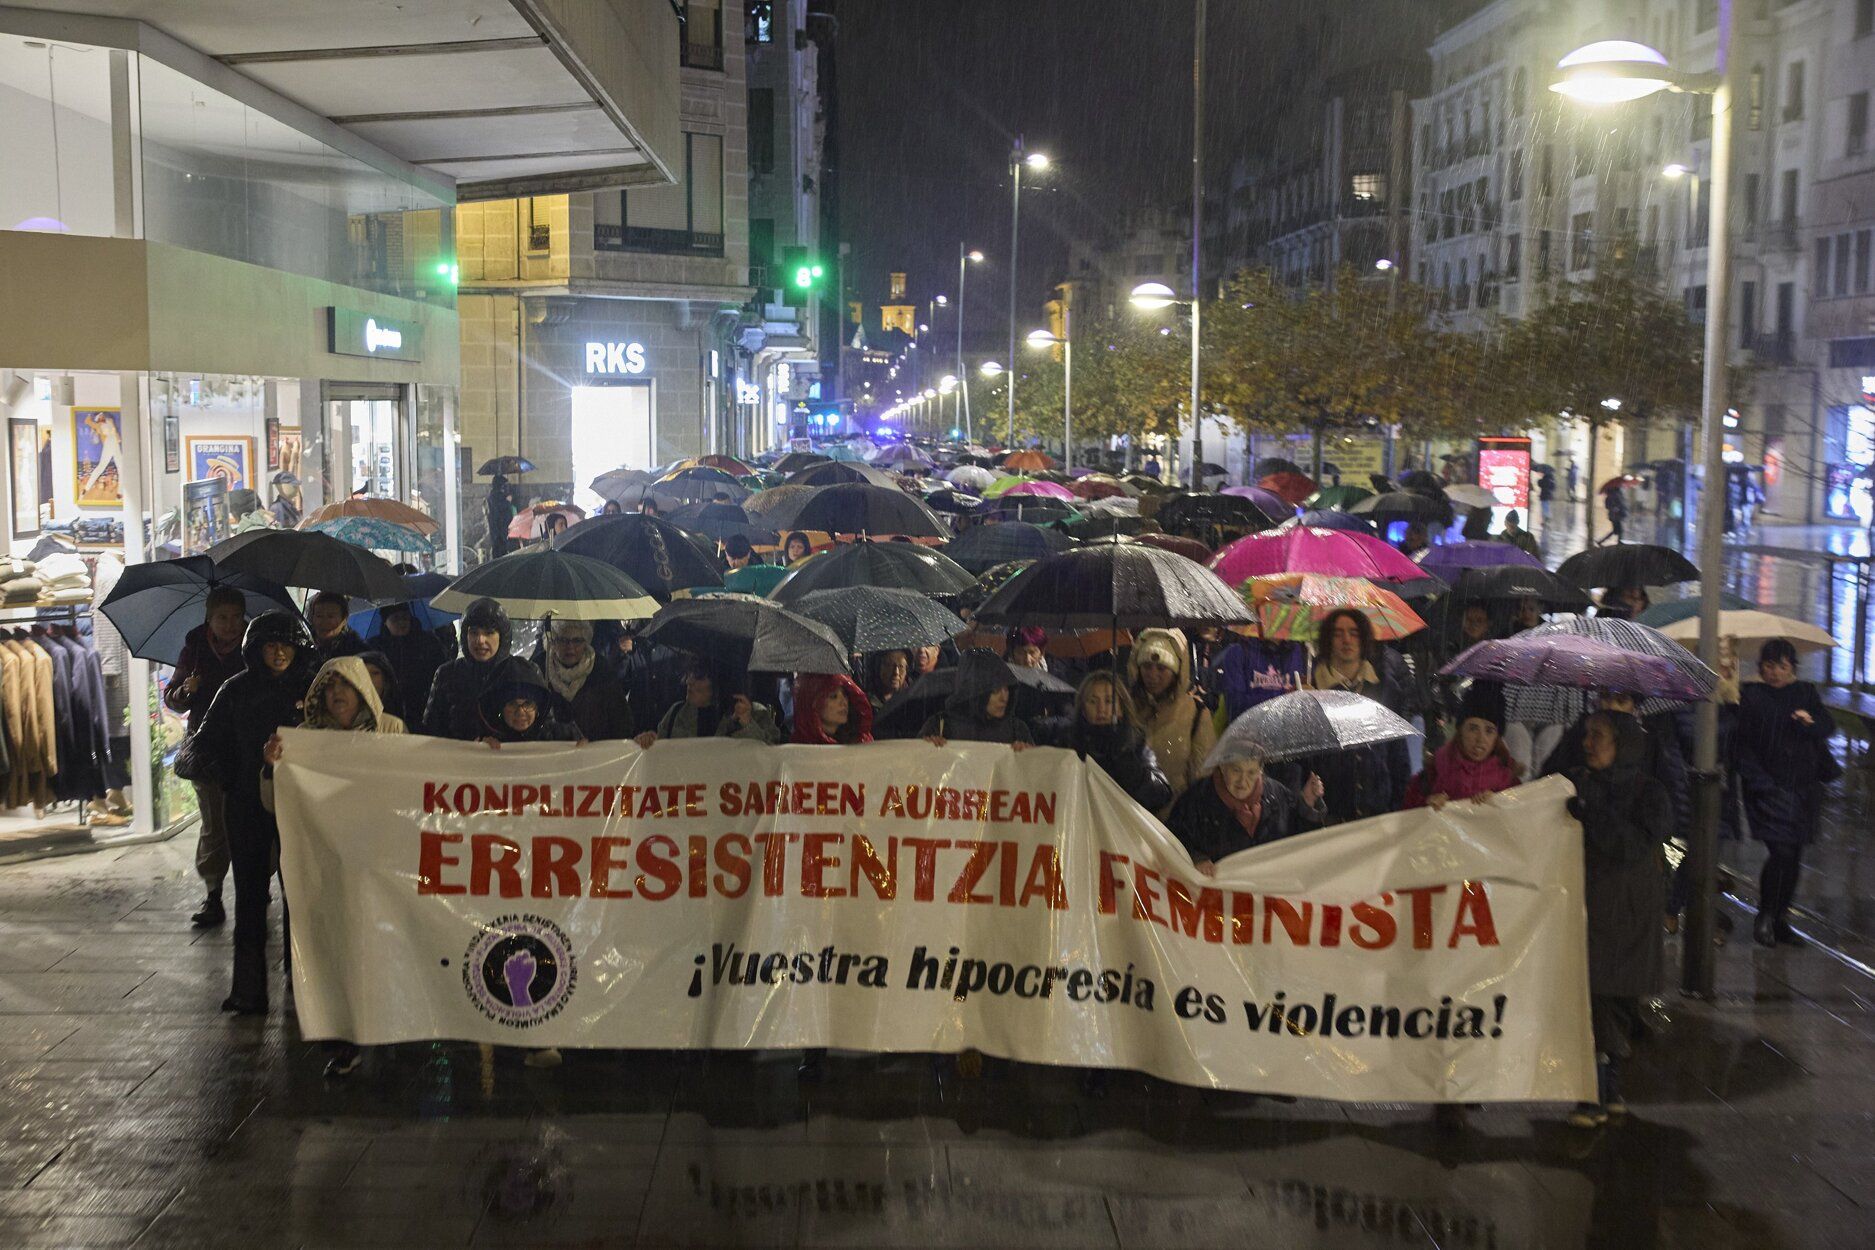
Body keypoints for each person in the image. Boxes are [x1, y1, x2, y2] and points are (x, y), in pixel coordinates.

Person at [259, 655, 405, 1076]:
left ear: (363, 691)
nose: (338, 694)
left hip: (376, 859)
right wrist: (273, 770)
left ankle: (385, 1026)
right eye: (330, 686)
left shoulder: (391, 729)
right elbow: (272, 804)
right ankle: (342, 1040)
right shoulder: (302, 740)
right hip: (325, 863)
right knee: (333, 948)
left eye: (346, 685)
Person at [186, 612, 316, 1015]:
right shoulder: (234, 690)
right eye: (271, 646)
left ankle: (306, 984)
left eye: (287, 646)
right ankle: (248, 990)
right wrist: (234, 776)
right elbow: (200, 748)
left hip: (301, 808)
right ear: (256, 649)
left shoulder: (313, 690)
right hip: (246, 806)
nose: (279, 653)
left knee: (302, 896)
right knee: (249, 899)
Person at [1562, 713, 1672, 1127]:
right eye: (1586, 734)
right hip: (1588, 909)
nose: (1589, 743)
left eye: (1599, 736)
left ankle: (1606, 1090)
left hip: (1628, 914)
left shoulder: (1650, 793)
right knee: (1594, 999)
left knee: (1615, 999)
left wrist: (1591, 814)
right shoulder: (1575, 780)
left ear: (1623, 744)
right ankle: (1598, 1094)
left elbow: (1632, 845)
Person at [1732, 639, 1835, 948]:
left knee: (1794, 856)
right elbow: (1741, 744)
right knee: (1781, 852)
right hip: (1768, 789)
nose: (1774, 672)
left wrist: (1809, 723)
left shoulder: (1805, 693)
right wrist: (1759, 781)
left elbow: (1827, 727)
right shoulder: (1751, 696)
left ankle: (1780, 919)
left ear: (1792, 667)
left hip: (1802, 788)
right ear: (1760, 668)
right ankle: (1765, 916)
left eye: (1781, 666)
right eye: (1768, 666)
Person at [164, 586, 248, 928]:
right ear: (209, 619)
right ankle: (213, 895)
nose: (229, 625)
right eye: (221, 618)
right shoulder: (194, 648)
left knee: (251, 823)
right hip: (207, 749)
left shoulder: (253, 647)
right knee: (214, 825)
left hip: (247, 748)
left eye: (236, 618)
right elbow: (173, 698)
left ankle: (255, 887)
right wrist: (187, 690)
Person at [1306, 608, 1412, 823]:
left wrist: (1398, 804)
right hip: (1330, 814)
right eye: (1338, 633)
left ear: (1363, 639)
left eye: (1354, 633)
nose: (1347, 640)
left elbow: (1397, 751)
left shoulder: (1385, 687)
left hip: (1379, 811)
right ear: (1328, 640)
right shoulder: (1312, 689)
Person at [1170, 747, 1325, 874]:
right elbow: (1173, 837)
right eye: (1236, 770)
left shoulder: (1277, 795)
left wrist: (1307, 803)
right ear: (1223, 767)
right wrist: (1196, 858)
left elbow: (1302, 843)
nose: (1243, 781)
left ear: (1260, 771)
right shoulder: (1197, 798)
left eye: (1251, 772)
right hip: (1218, 902)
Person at [1044, 672, 1171, 811]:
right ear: (1083, 709)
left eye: (1109, 701)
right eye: (1093, 701)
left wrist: (1128, 765)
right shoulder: (1066, 740)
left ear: (1121, 707)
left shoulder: (1135, 743)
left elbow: (1160, 794)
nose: (1101, 709)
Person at [1125, 628, 1217, 813]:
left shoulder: (1196, 714)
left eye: (1162, 668)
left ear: (1176, 672)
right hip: (1127, 818)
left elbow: (1202, 780)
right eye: (1147, 666)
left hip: (1175, 824)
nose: (1153, 675)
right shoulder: (1124, 709)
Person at [1405, 686, 1522, 808]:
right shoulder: (1435, 768)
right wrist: (1427, 802)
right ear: (1460, 731)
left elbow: (1520, 814)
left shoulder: (1509, 776)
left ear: (1497, 737)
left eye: (1489, 730)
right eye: (1473, 728)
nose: (1480, 739)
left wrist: (1500, 801)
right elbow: (1408, 810)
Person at [423, 597, 514, 739]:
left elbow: (540, 734)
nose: (480, 640)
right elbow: (431, 731)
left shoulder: (522, 673)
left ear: (502, 636)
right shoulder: (446, 674)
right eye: (474, 632)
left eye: (489, 632)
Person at [539, 617, 631, 741]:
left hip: (596, 753)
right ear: (553, 642)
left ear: (586, 641)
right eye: (563, 640)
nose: (570, 647)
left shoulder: (601, 669)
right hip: (553, 753)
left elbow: (622, 721)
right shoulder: (539, 668)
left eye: (577, 640)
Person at [919, 651, 1035, 746]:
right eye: (995, 691)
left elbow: (1037, 770)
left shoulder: (1017, 730)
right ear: (975, 692)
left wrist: (1026, 757)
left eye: (1007, 689)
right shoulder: (940, 725)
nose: (1004, 698)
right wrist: (926, 748)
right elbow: (916, 768)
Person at [648, 664, 783, 744]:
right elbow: (659, 754)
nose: (688, 681)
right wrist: (646, 742)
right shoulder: (676, 712)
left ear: (720, 681)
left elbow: (773, 760)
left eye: (698, 676)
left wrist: (748, 725)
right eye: (688, 674)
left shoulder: (755, 713)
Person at [368, 602, 446, 720]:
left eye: (405, 617)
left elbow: (441, 672)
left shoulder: (428, 642)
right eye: (395, 619)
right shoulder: (375, 647)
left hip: (424, 708)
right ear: (385, 622)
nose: (401, 622)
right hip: (387, 710)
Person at [792, 673, 874, 745]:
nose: (844, 702)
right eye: (833, 697)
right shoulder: (800, 746)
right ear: (814, 703)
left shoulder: (861, 739)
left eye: (845, 695)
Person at [306, 591, 367, 662]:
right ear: (312, 618)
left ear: (344, 619)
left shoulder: (357, 653)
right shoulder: (302, 643)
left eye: (330, 616)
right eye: (319, 616)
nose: (324, 622)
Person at [356, 650, 404, 721]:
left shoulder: (395, 723)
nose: (368, 677)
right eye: (363, 672)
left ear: (385, 679)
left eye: (375, 673)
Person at [486, 472, 517, 557]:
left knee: (500, 546)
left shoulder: (495, 494)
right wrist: (507, 501)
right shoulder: (495, 495)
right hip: (499, 526)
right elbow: (499, 508)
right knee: (499, 547)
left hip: (499, 525)